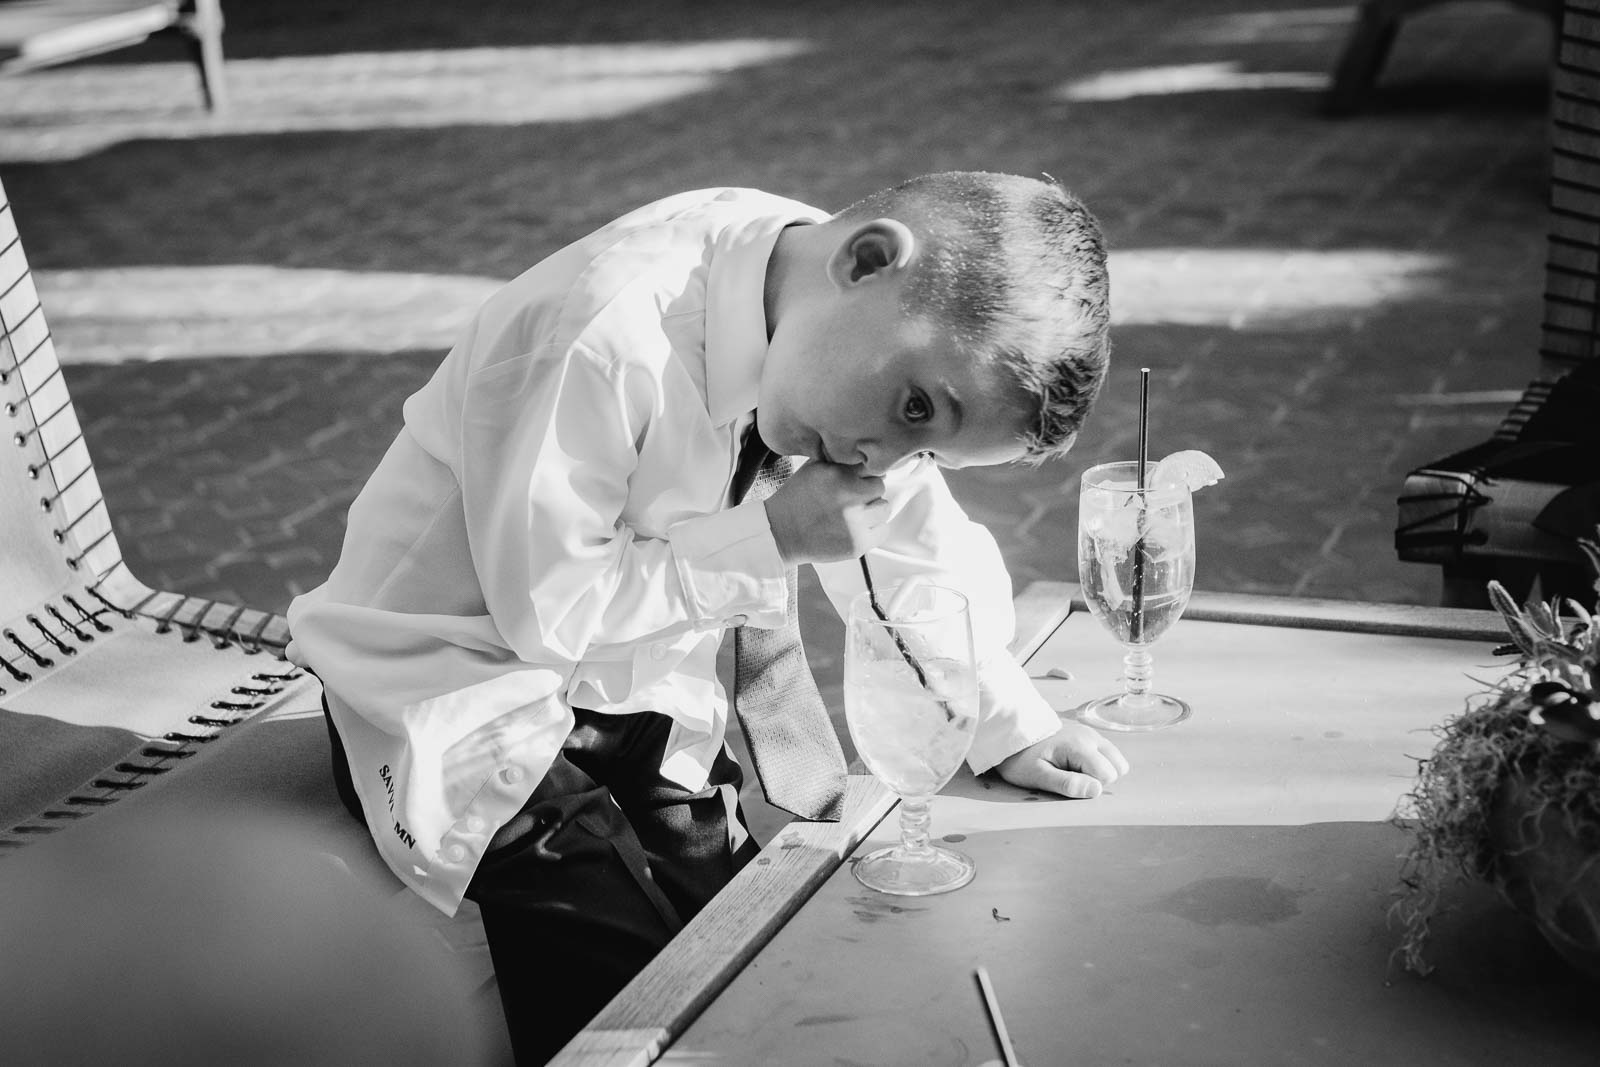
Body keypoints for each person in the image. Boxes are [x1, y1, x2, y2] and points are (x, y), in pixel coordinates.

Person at [286, 170, 1131, 1063]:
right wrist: (769, 537)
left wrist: (1007, 720)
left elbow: (914, 550)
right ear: (868, 259)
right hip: (454, 682)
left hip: (633, 692)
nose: (887, 457)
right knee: (627, 983)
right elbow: (552, 612)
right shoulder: (606, 338)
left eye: (929, 447)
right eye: (915, 409)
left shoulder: (836, 322)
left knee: (744, 933)